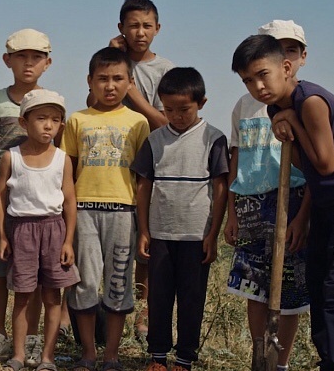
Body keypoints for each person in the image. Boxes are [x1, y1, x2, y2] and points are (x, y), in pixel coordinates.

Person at [233, 34, 334, 371]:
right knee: (321, 289)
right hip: (324, 205)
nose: (257, 86)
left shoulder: (309, 101)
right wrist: (284, 123)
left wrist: (291, 122)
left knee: (330, 292)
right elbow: (302, 162)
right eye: (248, 80)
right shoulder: (280, 106)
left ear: (287, 67)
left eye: (263, 74)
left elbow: (324, 163)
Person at [225, 20, 311, 371]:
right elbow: (235, 159)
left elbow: (318, 169)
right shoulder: (245, 105)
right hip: (250, 203)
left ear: (296, 59)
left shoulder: (305, 101)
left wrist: (302, 217)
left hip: (290, 200)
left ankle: (281, 363)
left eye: (290, 48)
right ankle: (259, 359)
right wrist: (232, 212)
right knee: (254, 288)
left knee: (288, 291)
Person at [132, 67, 229, 371]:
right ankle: (158, 357)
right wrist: (144, 231)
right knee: (158, 299)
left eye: (184, 109)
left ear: (202, 102)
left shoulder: (213, 139)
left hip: (195, 236)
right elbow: (144, 185)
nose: (176, 115)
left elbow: (221, 188)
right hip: (161, 234)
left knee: (191, 300)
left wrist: (213, 234)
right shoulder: (155, 140)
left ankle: (185, 359)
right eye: (168, 109)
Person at [90, 0, 175, 340]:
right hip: (109, 163)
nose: (140, 32)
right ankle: (103, 312)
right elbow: (93, 103)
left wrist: (133, 92)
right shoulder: (112, 63)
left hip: (151, 163)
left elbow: (163, 122)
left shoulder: (165, 69)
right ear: (120, 29)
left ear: (158, 28)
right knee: (106, 243)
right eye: (133, 26)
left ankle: (143, 314)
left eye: (146, 25)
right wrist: (116, 62)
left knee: (145, 242)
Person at [62, 47, 150, 371]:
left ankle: (111, 356)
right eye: (102, 79)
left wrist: (144, 227)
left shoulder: (138, 123)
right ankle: (88, 353)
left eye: (117, 79)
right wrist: (66, 220)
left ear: (129, 82)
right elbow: (67, 173)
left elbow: (143, 180)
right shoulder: (77, 120)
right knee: (84, 283)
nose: (110, 86)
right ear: (90, 81)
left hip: (123, 213)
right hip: (84, 210)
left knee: (118, 284)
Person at [0, 28, 52, 364]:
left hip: (34, 196)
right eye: (22, 57)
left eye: (36, 57)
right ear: (8, 60)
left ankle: (31, 337)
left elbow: (56, 150)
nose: (28, 63)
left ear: (48, 62)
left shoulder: (50, 100)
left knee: (30, 271)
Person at [0, 89, 80, 371]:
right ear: (24, 122)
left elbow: (69, 200)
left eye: (55, 120)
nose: (48, 125)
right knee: (22, 294)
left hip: (54, 230)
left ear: (61, 125)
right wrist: (3, 235)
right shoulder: (12, 157)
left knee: (53, 296)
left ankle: (47, 357)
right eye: (41, 118)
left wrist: (68, 241)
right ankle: (18, 355)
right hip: (22, 230)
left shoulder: (62, 159)